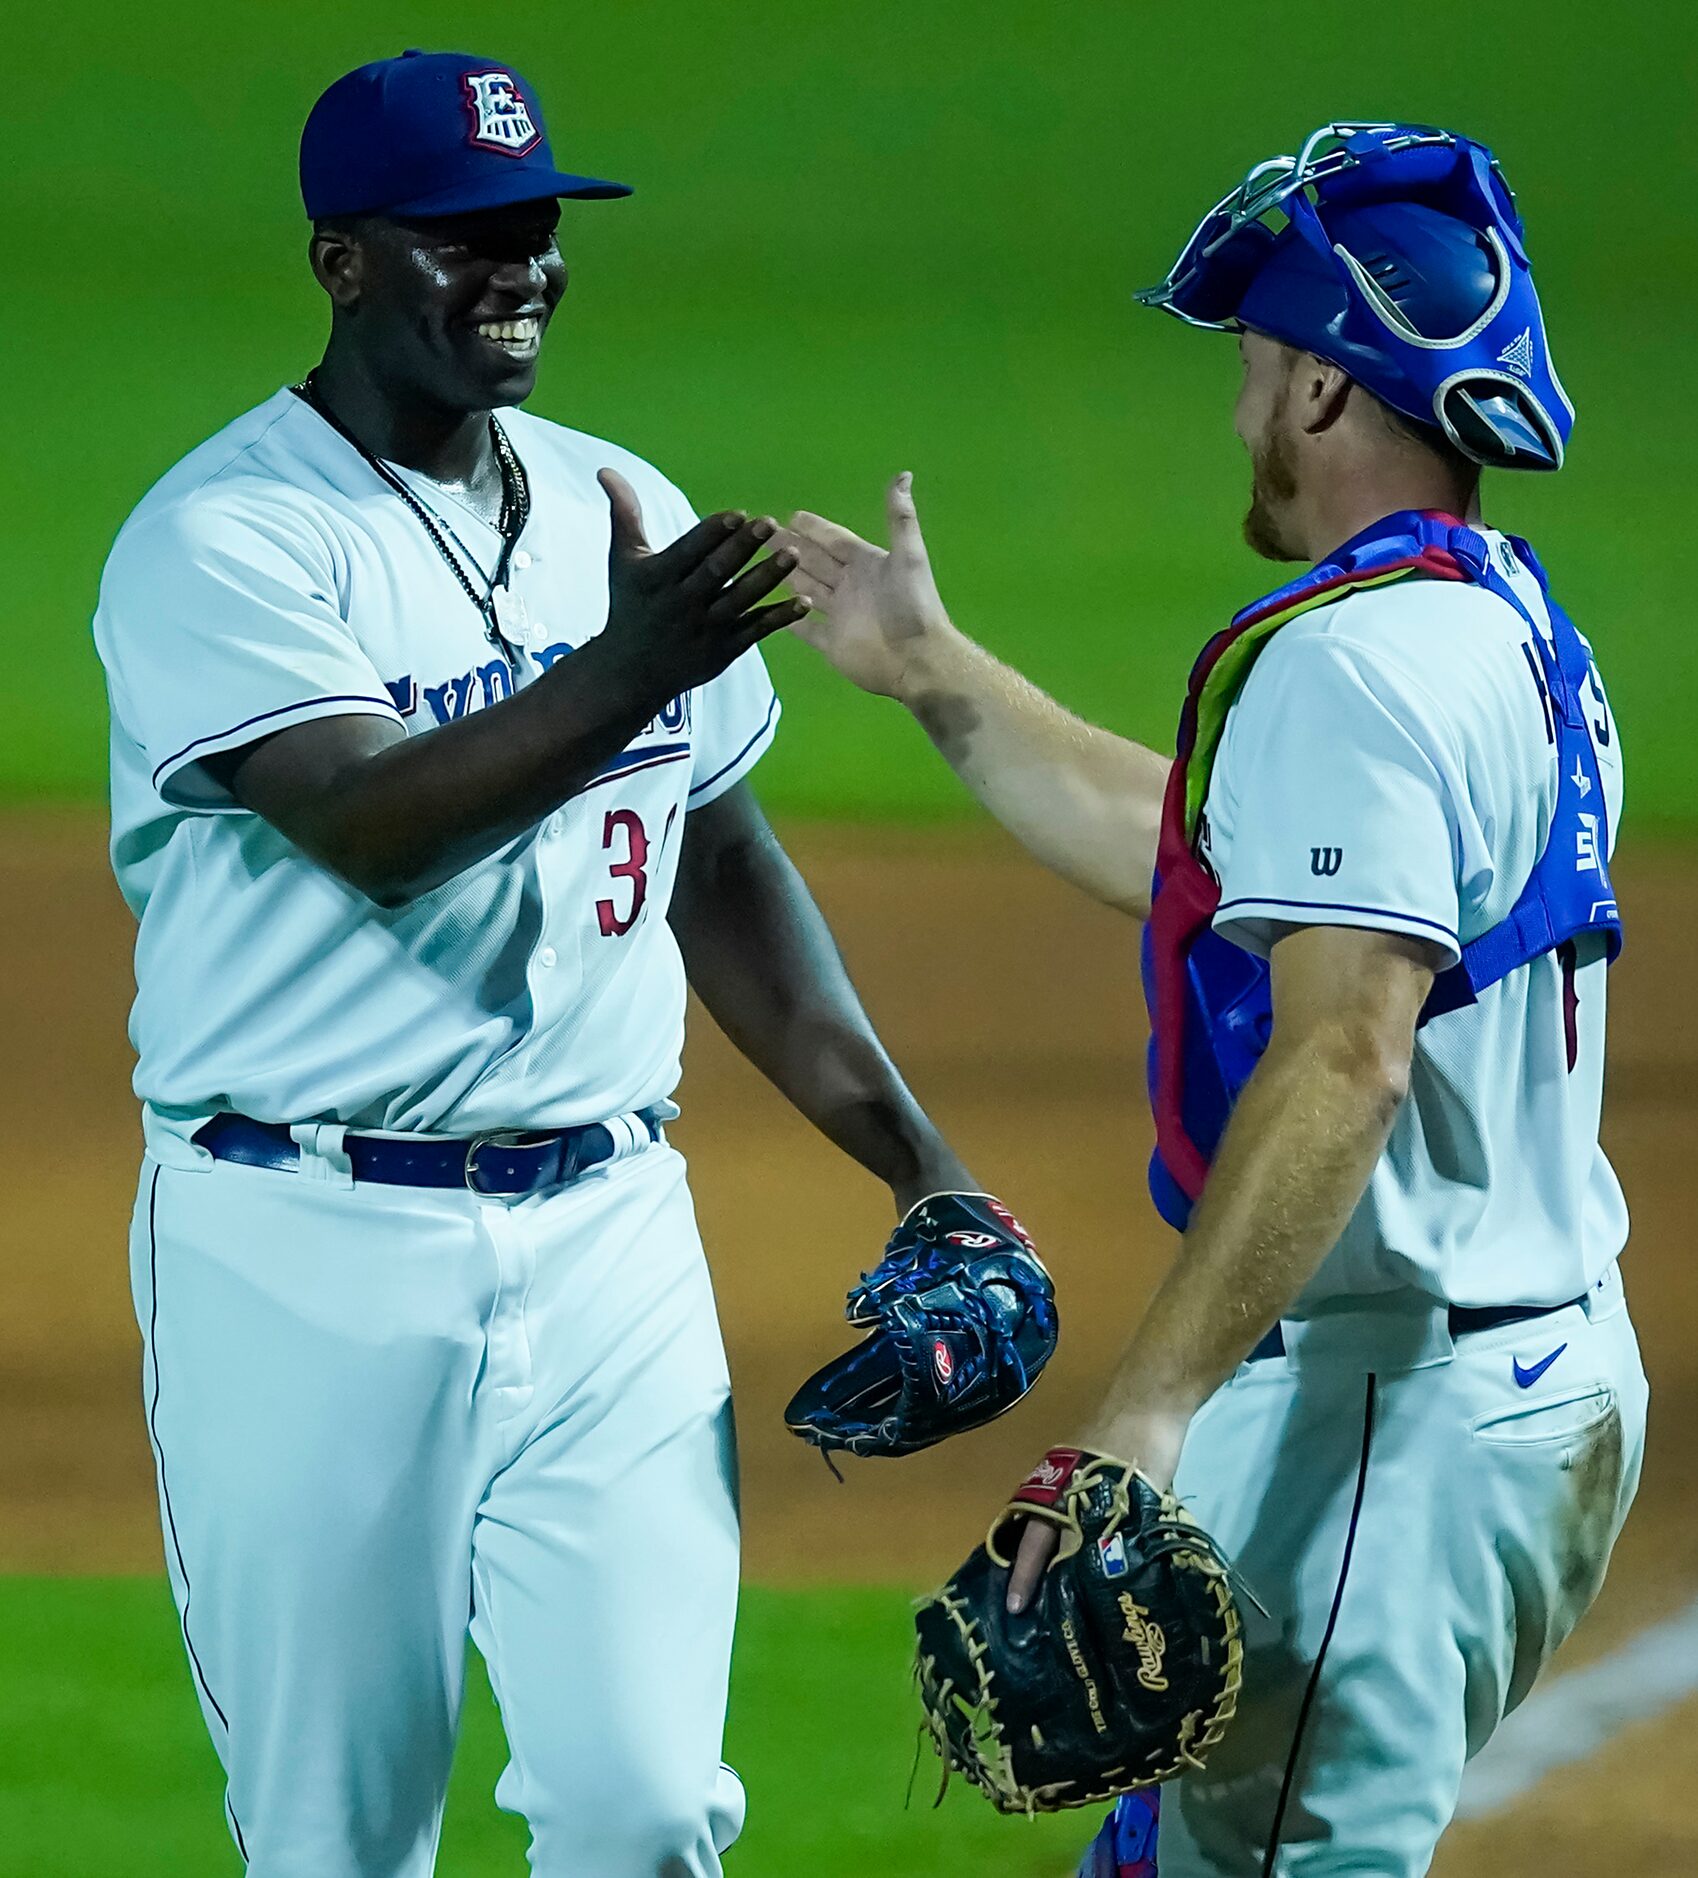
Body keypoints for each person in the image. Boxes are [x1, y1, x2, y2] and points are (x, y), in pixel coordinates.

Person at [92, 48, 989, 1877]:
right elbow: (379, 830)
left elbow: (718, 858)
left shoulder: (612, 502)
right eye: (465, 238)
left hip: (610, 1245)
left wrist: (924, 1165)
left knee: (646, 1812)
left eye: (539, 232)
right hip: (302, 1250)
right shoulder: (226, 539)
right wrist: (623, 667)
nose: (521, 266)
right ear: (342, 262)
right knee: (339, 1838)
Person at [782, 122, 1647, 1877]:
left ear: (1327, 389)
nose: (1241, 412)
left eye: (1256, 369)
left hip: (1390, 1415)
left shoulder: (1352, 670)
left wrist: (1144, 1408)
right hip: (1517, 1374)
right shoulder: (1494, 626)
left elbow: (1343, 1054)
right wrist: (939, 680)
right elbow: (1208, 854)